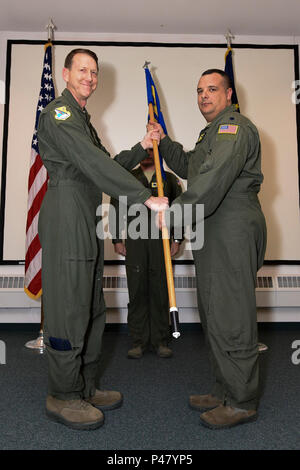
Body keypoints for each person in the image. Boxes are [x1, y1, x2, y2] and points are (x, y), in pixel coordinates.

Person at [37, 48, 168, 431]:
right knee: (68, 307)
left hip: (85, 214)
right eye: (82, 70)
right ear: (65, 73)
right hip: (66, 213)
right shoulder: (59, 114)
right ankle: (62, 393)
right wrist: (145, 195)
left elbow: (104, 164)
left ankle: (84, 385)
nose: (90, 77)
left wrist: (141, 148)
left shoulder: (81, 120)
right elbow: (93, 165)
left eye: (94, 72)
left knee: (92, 303)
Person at [150, 69, 267, 429]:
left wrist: (174, 215)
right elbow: (192, 166)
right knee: (215, 312)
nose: (204, 96)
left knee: (232, 315)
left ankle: (242, 400)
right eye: (199, 91)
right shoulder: (212, 133)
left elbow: (211, 184)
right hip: (213, 227)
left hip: (230, 226)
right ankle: (224, 389)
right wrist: (163, 140)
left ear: (229, 94)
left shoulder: (235, 129)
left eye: (212, 89)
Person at [111, 149, 183, 359]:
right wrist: (116, 239)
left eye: (152, 151)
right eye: (144, 151)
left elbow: (179, 210)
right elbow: (116, 207)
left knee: (161, 290)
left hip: (162, 241)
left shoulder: (169, 179)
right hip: (136, 241)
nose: (147, 154)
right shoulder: (128, 178)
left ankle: (161, 340)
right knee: (137, 289)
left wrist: (177, 239)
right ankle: (138, 341)